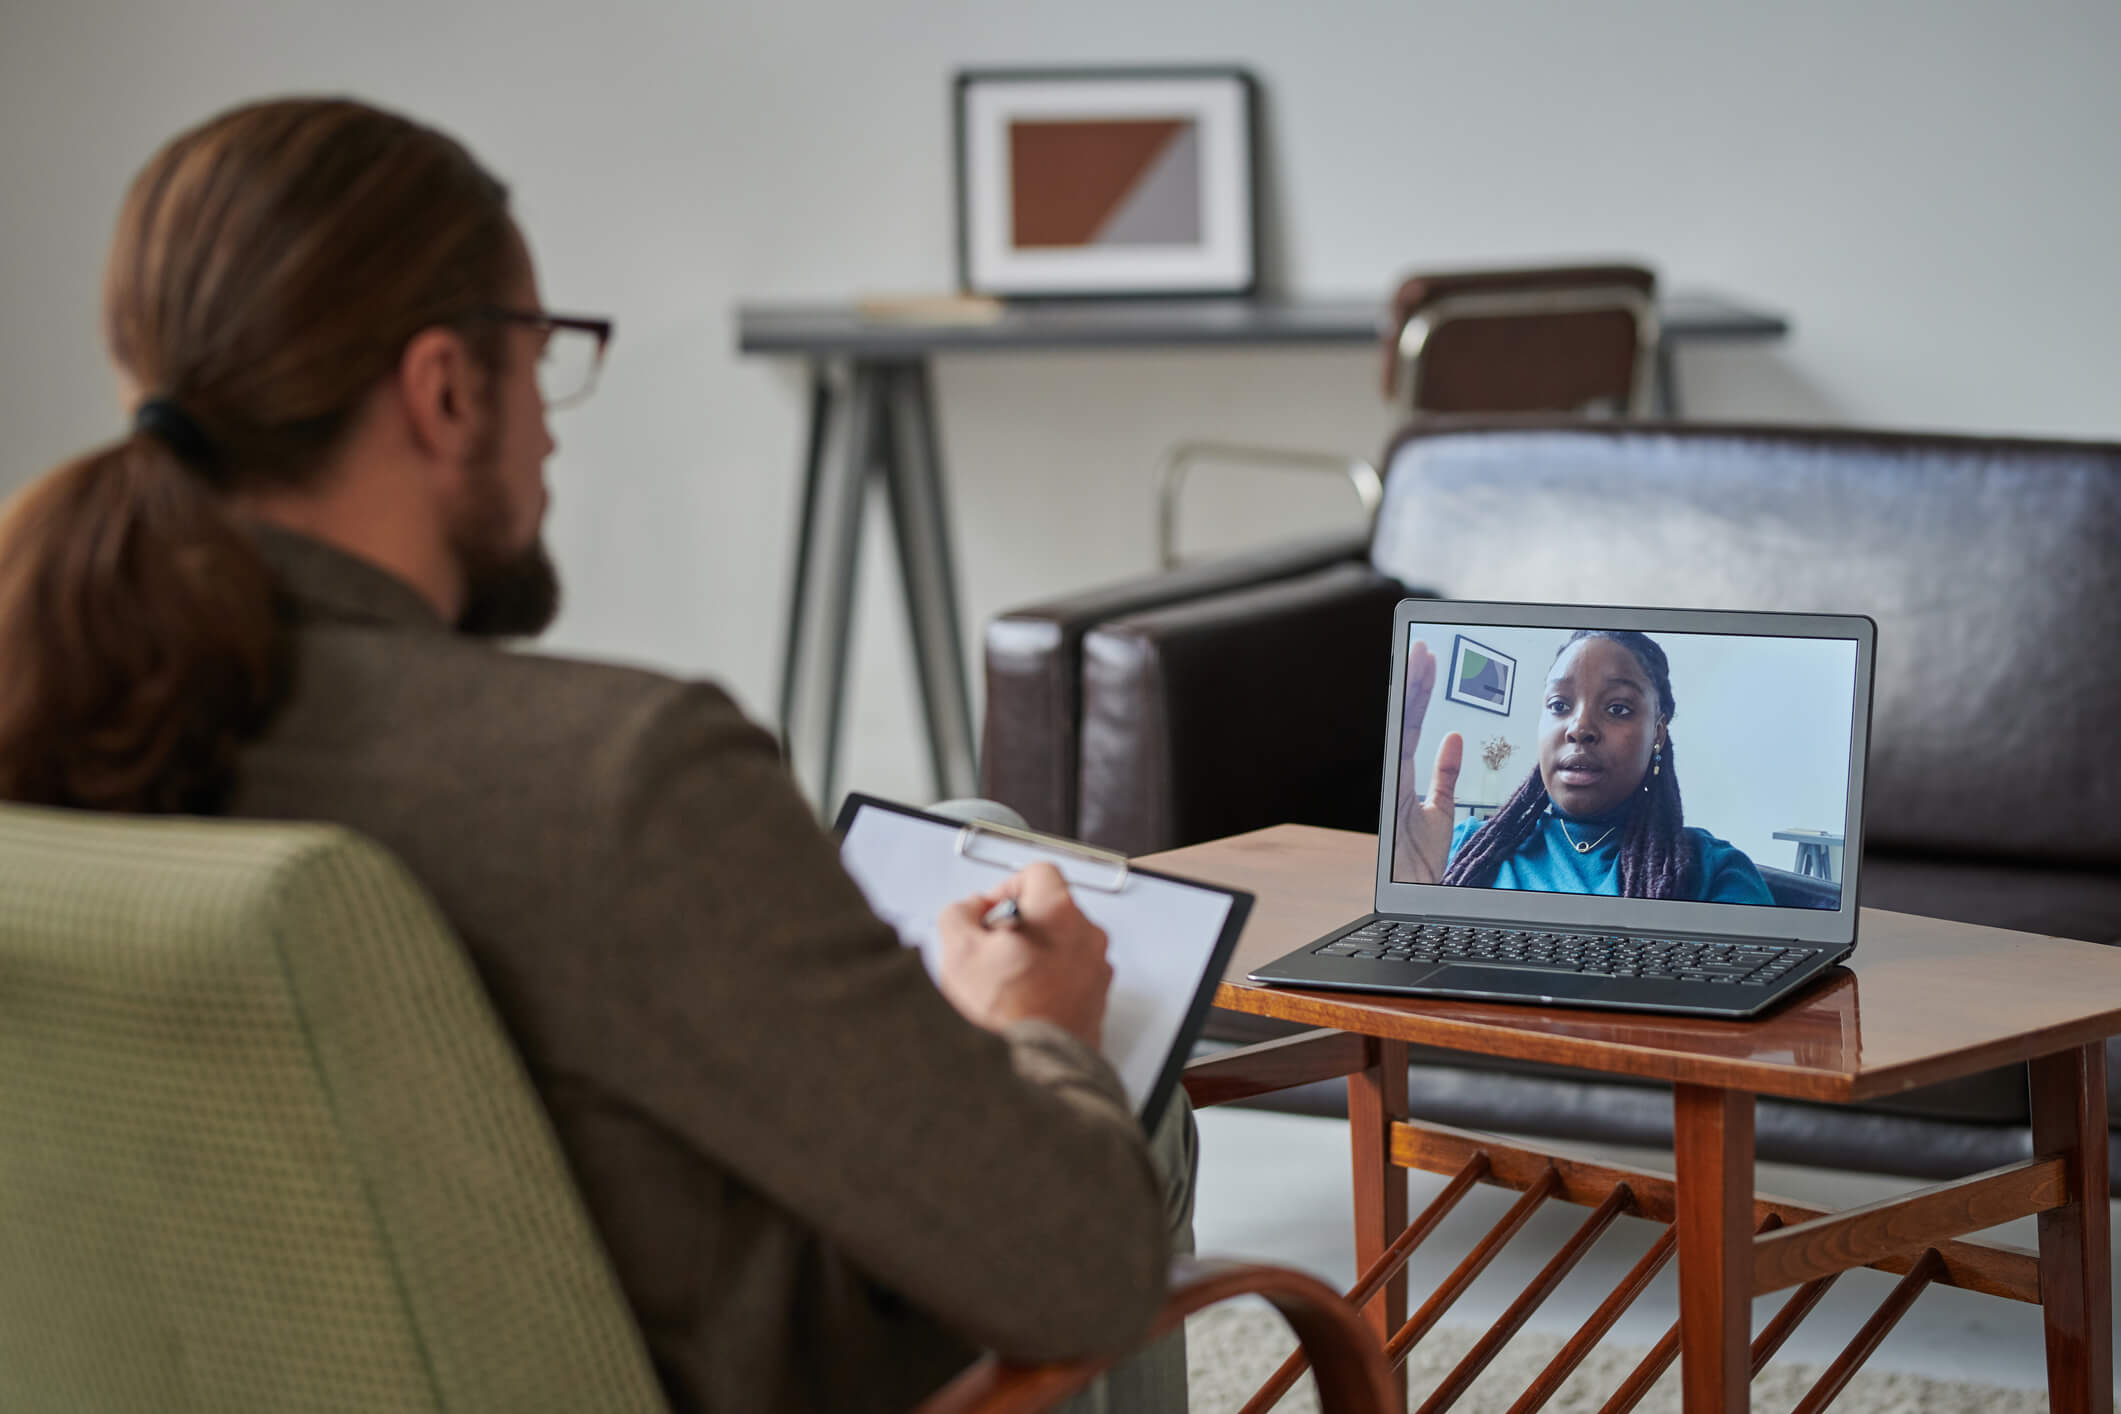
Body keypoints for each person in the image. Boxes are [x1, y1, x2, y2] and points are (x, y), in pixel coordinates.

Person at [0, 98, 1190, 1414]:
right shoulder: (621, 777)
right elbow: (1080, 1267)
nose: (554, 431)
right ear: (446, 387)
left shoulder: (62, 717)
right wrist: (1034, 1037)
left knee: (967, 820)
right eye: (544, 355)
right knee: (1106, 1067)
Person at [1393, 629, 1774, 904]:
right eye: (1559, 705)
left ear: (1658, 732)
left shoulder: (1715, 875)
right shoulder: (1461, 848)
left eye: (1617, 708)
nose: (1579, 728)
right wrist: (1407, 901)